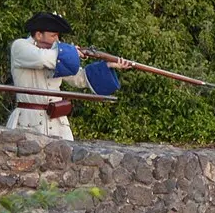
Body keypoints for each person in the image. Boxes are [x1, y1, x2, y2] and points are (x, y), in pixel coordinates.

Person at [7, 13, 132, 141]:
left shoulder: (57, 53)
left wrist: (108, 65)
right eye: (53, 36)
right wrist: (70, 53)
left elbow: (78, 78)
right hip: (28, 121)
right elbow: (41, 58)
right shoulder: (20, 46)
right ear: (39, 35)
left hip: (57, 123)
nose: (57, 40)